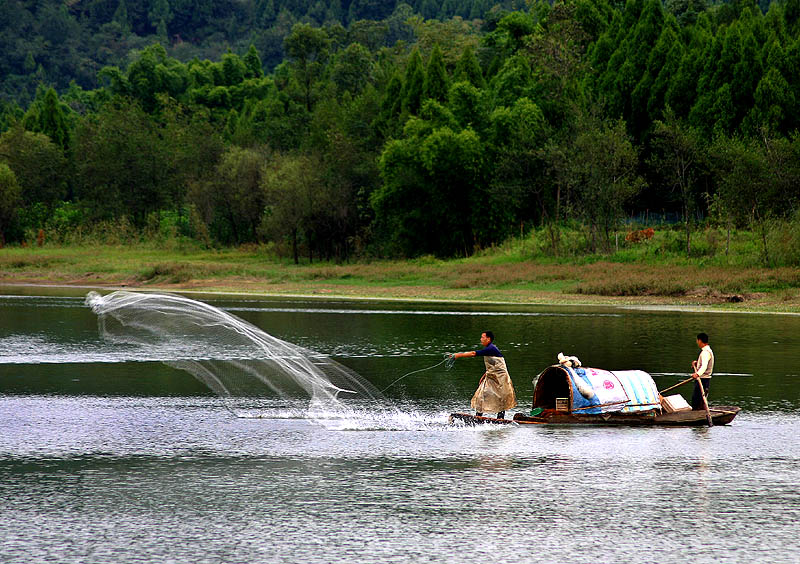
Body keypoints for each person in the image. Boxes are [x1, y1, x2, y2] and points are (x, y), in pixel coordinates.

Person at [452, 331, 517, 419]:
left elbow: (473, 353)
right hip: (491, 376)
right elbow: (493, 365)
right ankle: (478, 417)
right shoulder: (489, 348)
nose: (481, 339)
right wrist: (484, 375)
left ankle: (500, 419)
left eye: (483, 337)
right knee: (481, 396)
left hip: (501, 378)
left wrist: (458, 355)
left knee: (501, 398)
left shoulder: (491, 348)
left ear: (488, 339)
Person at [691, 332, 714, 410]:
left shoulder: (705, 352)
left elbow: (704, 366)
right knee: (700, 400)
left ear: (700, 341)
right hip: (705, 380)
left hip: (703, 380)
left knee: (696, 400)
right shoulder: (708, 351)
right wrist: (697, 363)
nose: (697, 342)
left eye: (697, 340)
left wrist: (697, 374)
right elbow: (704, 363)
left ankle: (695, 416)